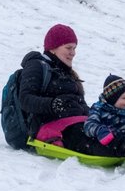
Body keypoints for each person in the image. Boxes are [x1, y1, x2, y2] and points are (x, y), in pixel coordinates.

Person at [17, 24, 90, 152]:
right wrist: (54, 105)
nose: (73, 53)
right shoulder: (36, 66)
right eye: (68, 48)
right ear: (52, 49)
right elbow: (25, 99)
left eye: (74, 48)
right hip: (49, 128)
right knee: (89, 137)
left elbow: (79, 104)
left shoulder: (68, 73)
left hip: (74, 123)